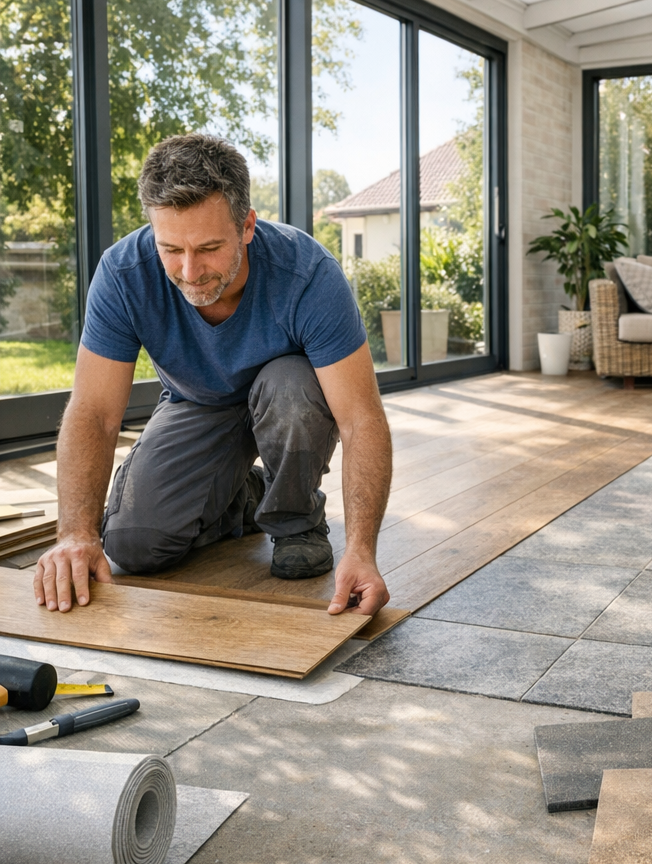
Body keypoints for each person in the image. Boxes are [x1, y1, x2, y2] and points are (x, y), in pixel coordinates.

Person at [33, 133, 392, 617]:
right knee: (133, 545)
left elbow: (361, 419)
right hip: (197, 403)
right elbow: (94, 413)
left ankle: (295, 517)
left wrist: (363, 552)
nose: (189, 270)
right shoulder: (123, 273)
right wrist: (75, 534)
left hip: (289, 399)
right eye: (170, 249)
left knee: (289, 386)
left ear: (246, 226)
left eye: (208, 247)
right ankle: (246, 494)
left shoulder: (308, 275)